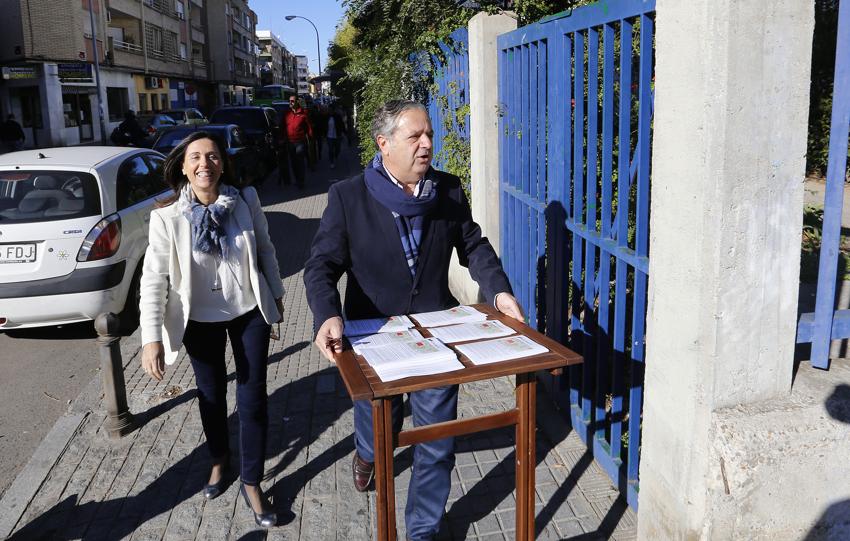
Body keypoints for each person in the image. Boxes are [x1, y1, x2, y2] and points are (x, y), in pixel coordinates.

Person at [303, 100, 524, 541]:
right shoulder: (348, 197)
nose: (427, 144)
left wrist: (498, 291)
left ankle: (422, 529)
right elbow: (321, 265)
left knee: (437, 441)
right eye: (415, 137)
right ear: (384, 144)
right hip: (373, 338)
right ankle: (366, 455)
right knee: (377, 430)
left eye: (429, 135)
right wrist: (327, 315)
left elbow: (474, 247)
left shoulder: (447, 190)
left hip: (436, 337)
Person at [139, 131, 285, 528]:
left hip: (247, 310)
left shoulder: (245, 201)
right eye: (196, 157)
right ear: (183, 166)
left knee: (253, 395)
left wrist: (276, 296)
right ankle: (220, 460)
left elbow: (267, 250)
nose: (206, 163)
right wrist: (150, 337)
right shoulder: (166, 218)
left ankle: (252, 481)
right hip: (198, 319)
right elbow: (154, 279)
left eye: (213, 156)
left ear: (223, 163)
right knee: (211, 394)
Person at [279, 96, 313, 189]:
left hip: (300, 142)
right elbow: (282, 127)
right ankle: (297, 180)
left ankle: (301, 181)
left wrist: (311, 137)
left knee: (300, 161)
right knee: (293, 163)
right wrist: (281, 138)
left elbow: (309, 127)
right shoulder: (287, 114)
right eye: (289, 101)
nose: (290, 103)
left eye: (292, 101)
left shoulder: (303, 113)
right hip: (290, 142)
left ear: (297, 102)